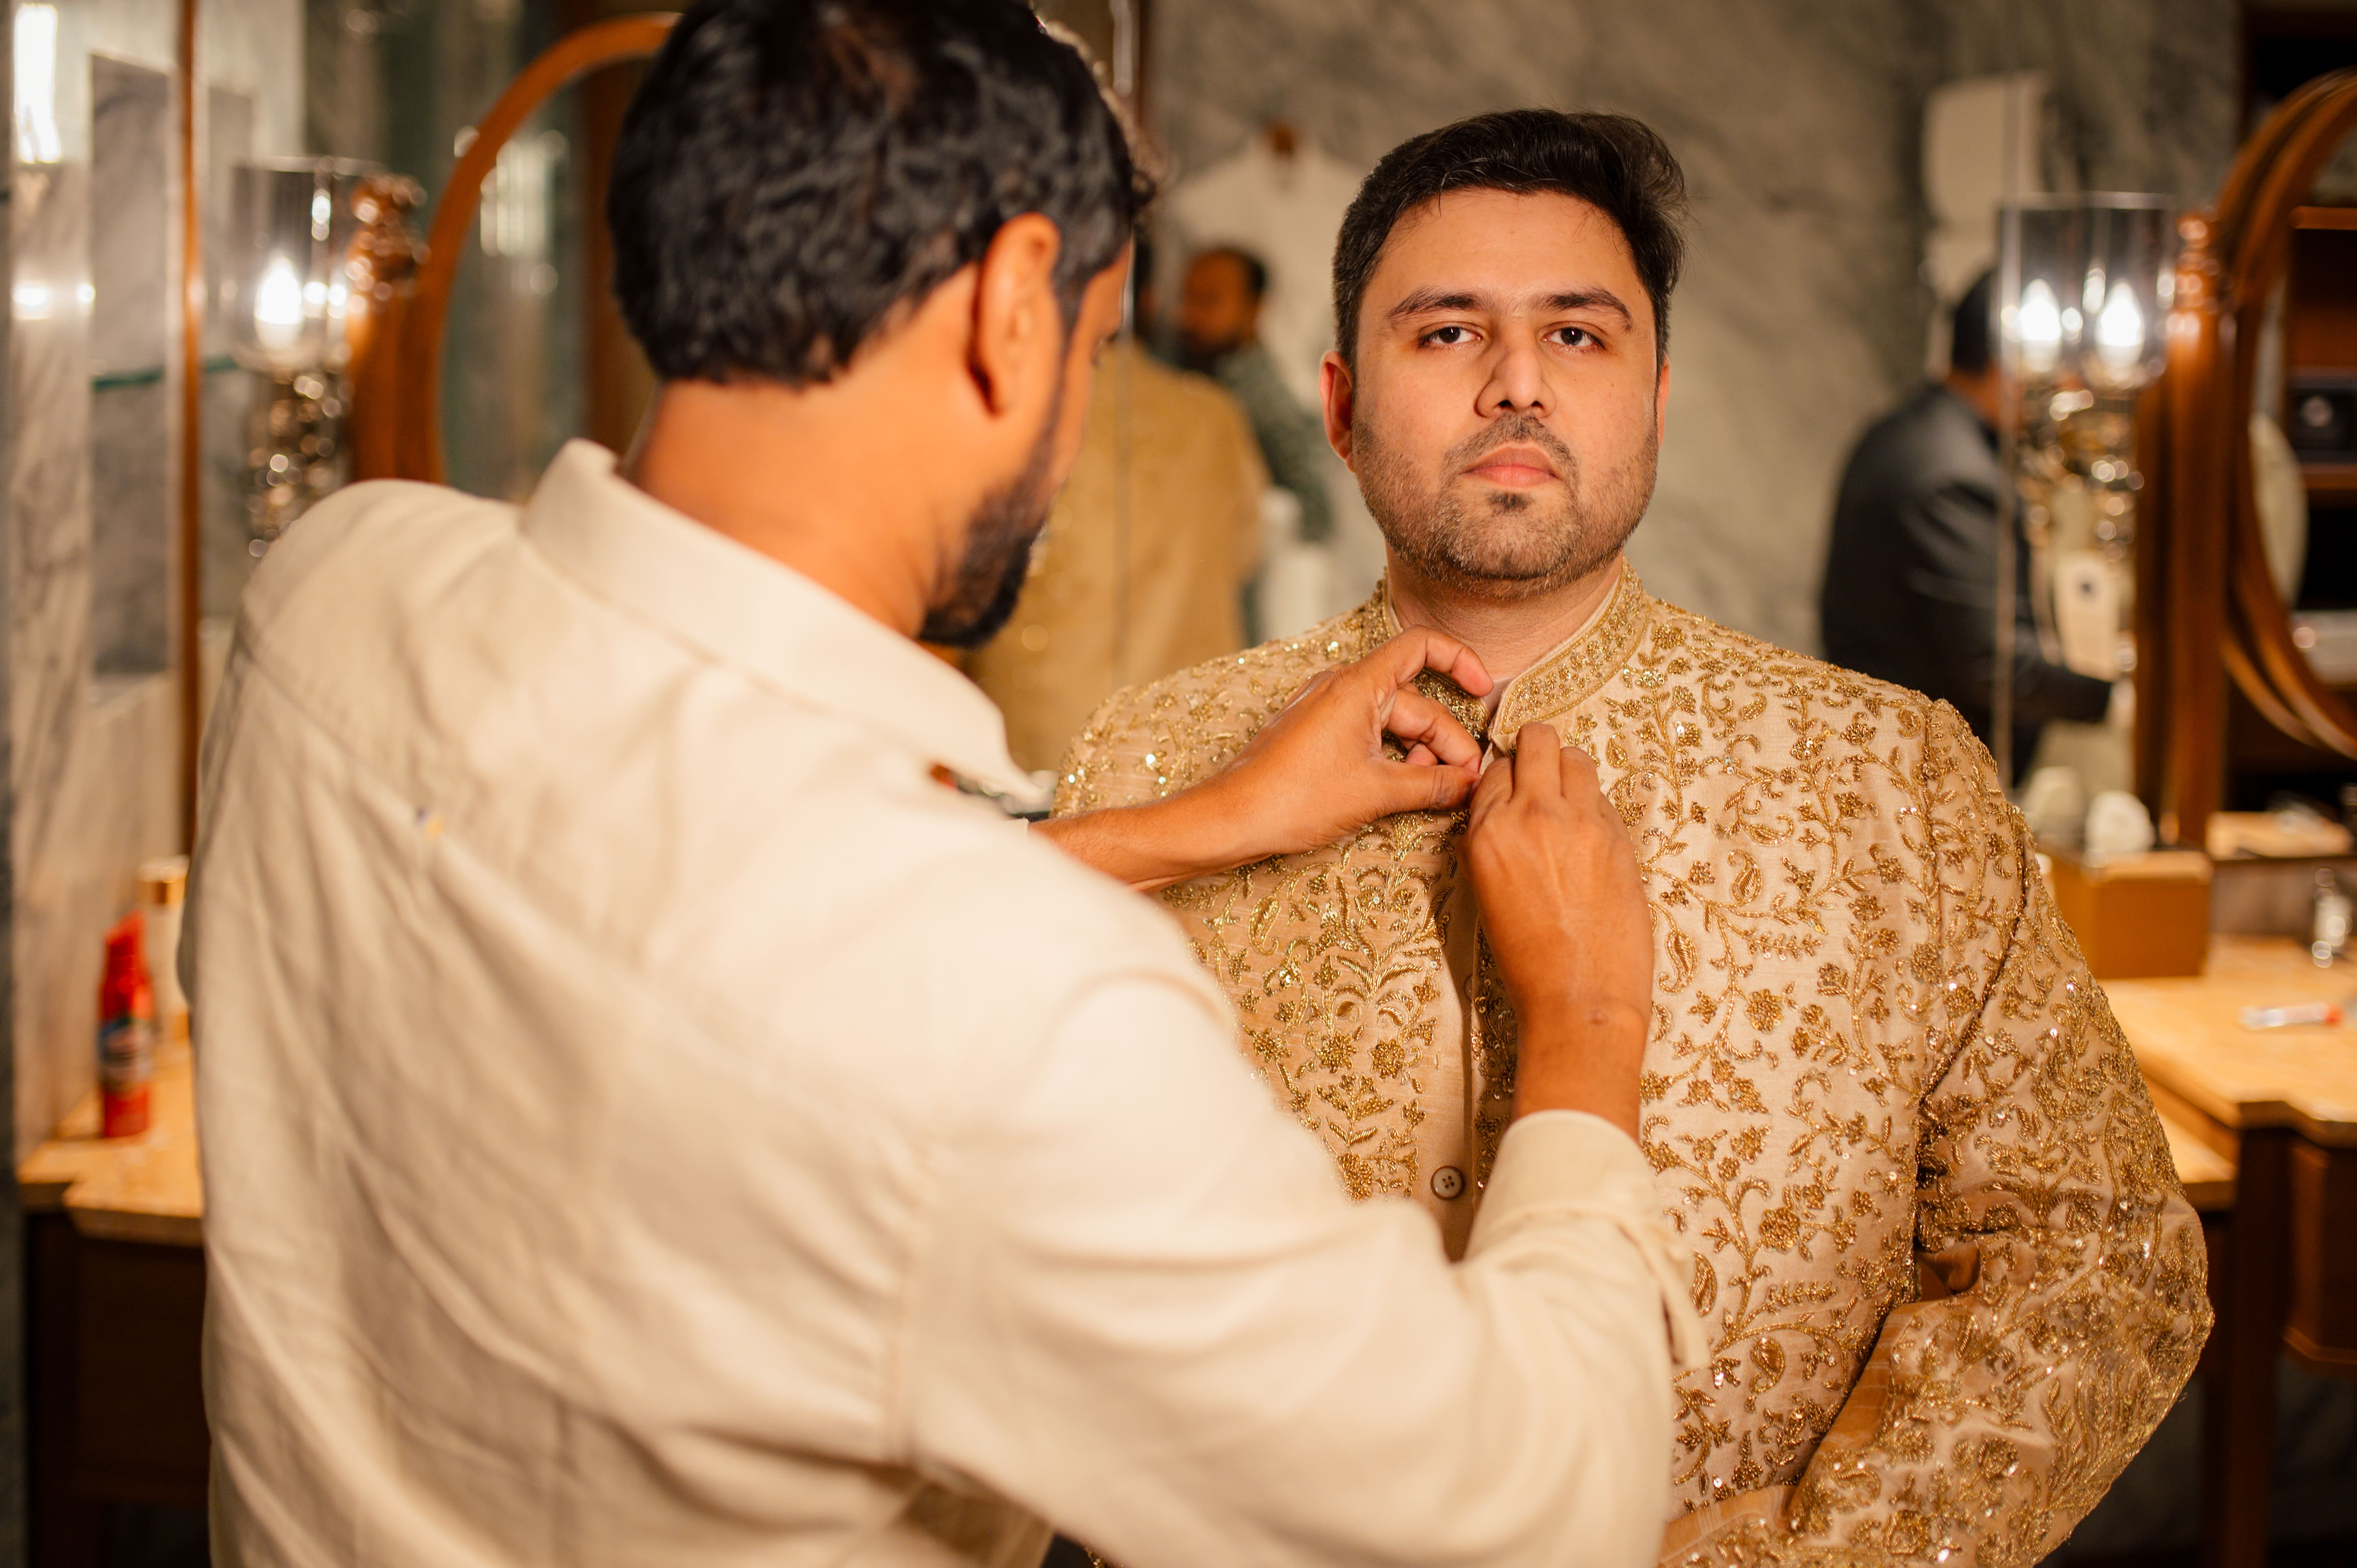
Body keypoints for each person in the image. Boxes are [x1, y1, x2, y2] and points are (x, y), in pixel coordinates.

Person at [186, 7, 1698, 1567]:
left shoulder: (335, 591)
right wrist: (1587, 1032)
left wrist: (1209, 824)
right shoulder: (1014, 1022)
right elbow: (1532, 1516)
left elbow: (730, 935)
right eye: (1098, 344)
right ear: (1005, 315)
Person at [1056, 110, 2208, 1566]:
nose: (1518, 383)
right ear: (1340, 406)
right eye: (1446, 333)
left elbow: (2099, 1257)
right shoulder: (1154, 761)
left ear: (1657, 400)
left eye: (1580, 337)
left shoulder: (1890, 784)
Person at [1819, 271, 2114, 777]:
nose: (2071, 389)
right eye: (2062, 371)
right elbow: (1997, 665)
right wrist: (2119, 698)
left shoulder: (1910, 428)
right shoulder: (1954, 472)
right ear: (2013, 366)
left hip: (1887, 746)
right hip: (1924, 770)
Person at [965, 327, 1266, 775]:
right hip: (1196, 734)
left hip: (1049, 740)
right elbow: (1249, 547)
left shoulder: (1018, 410)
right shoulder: (1213, 412)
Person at [1173, 244, 1335, 546]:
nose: (1189, 316)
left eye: (1209, 301)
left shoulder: (1268, 400)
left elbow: (1315, 516)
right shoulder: (1180, 370)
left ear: (1254, 308)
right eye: (1187, 298)